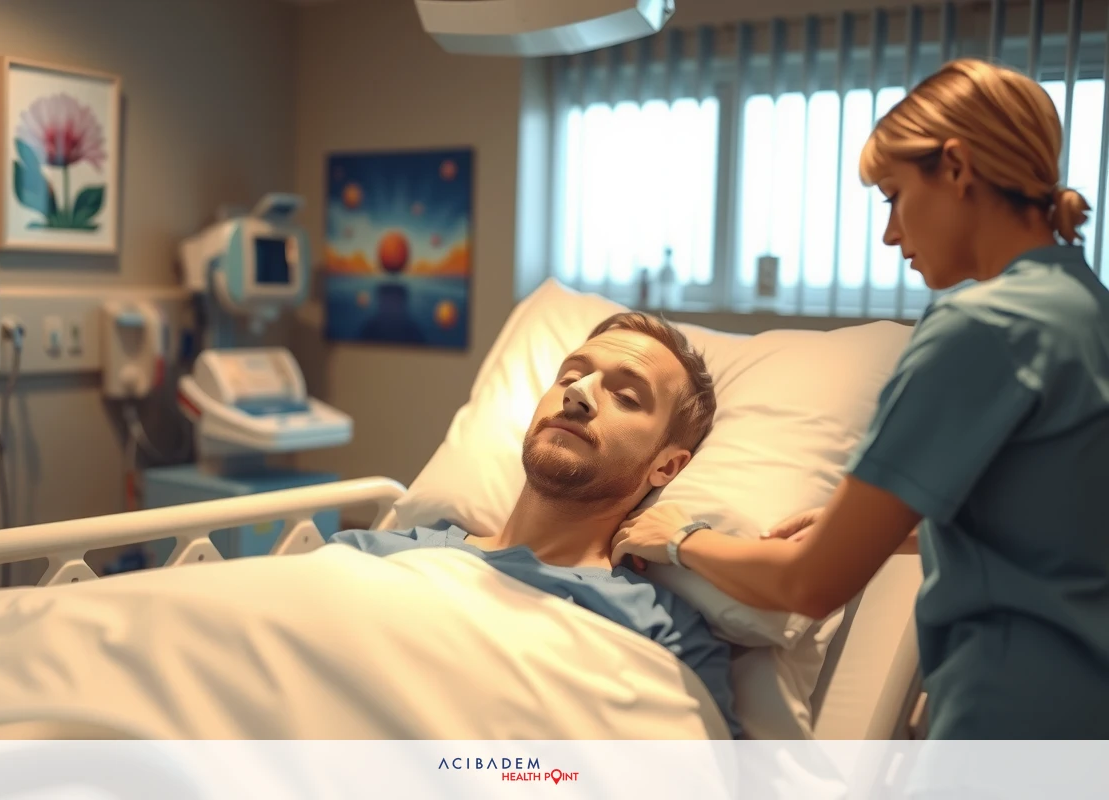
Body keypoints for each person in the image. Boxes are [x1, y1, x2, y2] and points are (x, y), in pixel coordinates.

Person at [610, 58, 1109, 739]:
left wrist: (679, 537)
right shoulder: (1086, 310)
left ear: (956, 168)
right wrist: (888, 524)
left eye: (894, 197)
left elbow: (809, 584)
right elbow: (1059, 518)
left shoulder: (980, 327)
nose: (891, 234)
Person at [328, 311, 743, 738]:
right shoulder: (371, 555)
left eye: (626, 397)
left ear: (666, 466)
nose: (577, 394)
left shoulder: (663, 631)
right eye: (569, 377)